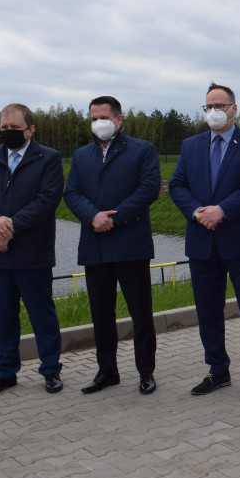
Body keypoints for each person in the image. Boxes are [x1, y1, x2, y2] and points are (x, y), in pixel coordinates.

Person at [169, 83, 240, 399]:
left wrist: (223, 210)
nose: (213, 112)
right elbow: (177, 185)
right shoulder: (191, 145)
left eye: (219, 105)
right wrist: (196, 211)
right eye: (207, 107)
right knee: (208, 312)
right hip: (203, 242)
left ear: (233, 108)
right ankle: (218, 370)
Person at [0, 103, 64, 397]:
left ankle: (50, 371)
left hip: (32, 251)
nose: (8, 133)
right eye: (4, 129)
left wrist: (11, 227)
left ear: (30, 129)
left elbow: (47, 201)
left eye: (15, 128)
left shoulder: (48, 158)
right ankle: (5, 372)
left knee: (42, 315)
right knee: (3, 317)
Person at [64, 96, 160, 395]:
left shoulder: (142, 150)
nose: (97, 123)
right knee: (101, 314)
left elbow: (148, 190)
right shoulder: (81, 155)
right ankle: (107, 371)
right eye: (92, 118)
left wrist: (113, 219)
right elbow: (72, 193)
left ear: (118, 119)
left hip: (130, 243)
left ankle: (146, 371)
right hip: (95, 245)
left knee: (140, 313)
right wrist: (93, 216)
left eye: (102, 117)